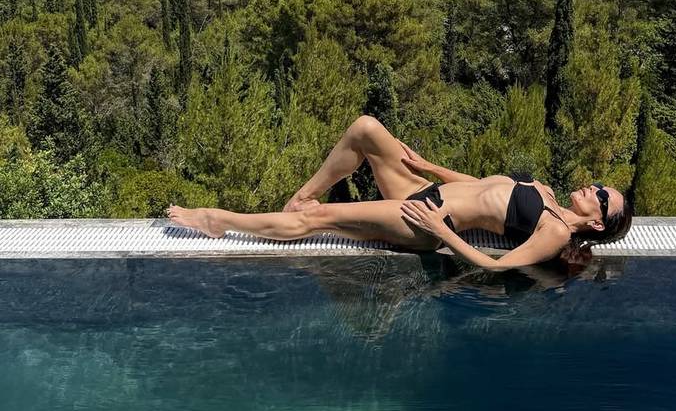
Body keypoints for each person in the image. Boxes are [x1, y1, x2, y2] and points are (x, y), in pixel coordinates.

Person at [166, 115, 632, 269]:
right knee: (366, 129)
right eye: (599, 185)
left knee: (321, 219)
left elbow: (495, 266)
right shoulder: (544, 190)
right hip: (429, 189)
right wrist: (429, 166)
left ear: (597, 222)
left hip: (429, 219)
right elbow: (483, 187)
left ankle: (217, 220)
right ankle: (298, 197)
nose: (593, 187)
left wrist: (441, 232)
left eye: (601, 197)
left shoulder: (555, 231)